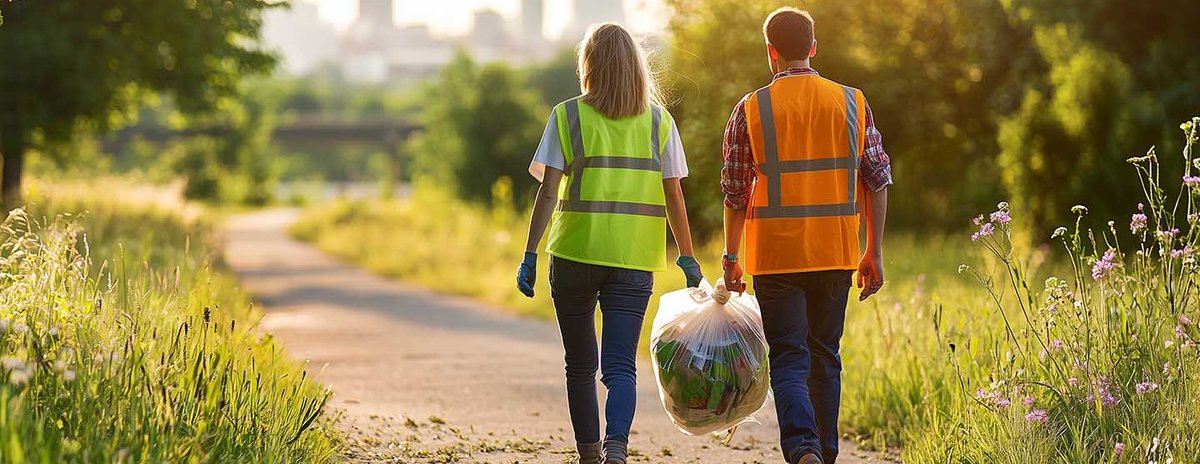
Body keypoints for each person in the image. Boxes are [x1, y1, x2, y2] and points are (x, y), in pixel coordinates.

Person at [515, 22, 702, 464]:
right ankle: (616, 448)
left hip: (575, 254)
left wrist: (529, 254)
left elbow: (547, 191)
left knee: (580, 366)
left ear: (589, 64)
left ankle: (589, 456)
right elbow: (674, 192)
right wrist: (688, 258)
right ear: (635, 66)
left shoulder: (567, 115)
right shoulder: (660, 121)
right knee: (620, 366)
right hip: (634, 258)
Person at [719, 8, 892, 464]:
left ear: (770, 52)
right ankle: (825, 454)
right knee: (825, 356)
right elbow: (878, 178)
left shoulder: (750, 109)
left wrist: (730, 256)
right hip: (835, 252)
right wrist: (873, 252)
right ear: (813, 47)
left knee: (789, 357)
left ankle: (802, 447)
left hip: (775, 257)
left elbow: (735, 192)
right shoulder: (852, 101)